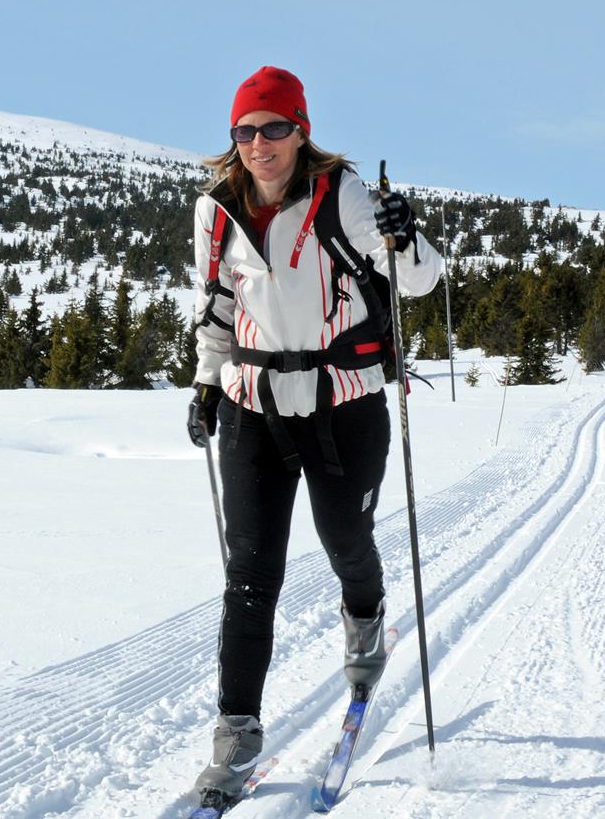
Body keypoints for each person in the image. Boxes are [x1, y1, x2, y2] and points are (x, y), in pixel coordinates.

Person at [184, 66, 441, 808]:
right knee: (249, 576)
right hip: (253, 408)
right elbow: (218, 305)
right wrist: (207, 382)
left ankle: (366, 623)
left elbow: (421, 279)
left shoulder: (344, 195)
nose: (259, 145)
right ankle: (235, 739)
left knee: (345, 544)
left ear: (301, 130)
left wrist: (406, 235)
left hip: (343, 405)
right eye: (245, 131)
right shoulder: (216, 209)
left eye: (273, 128)